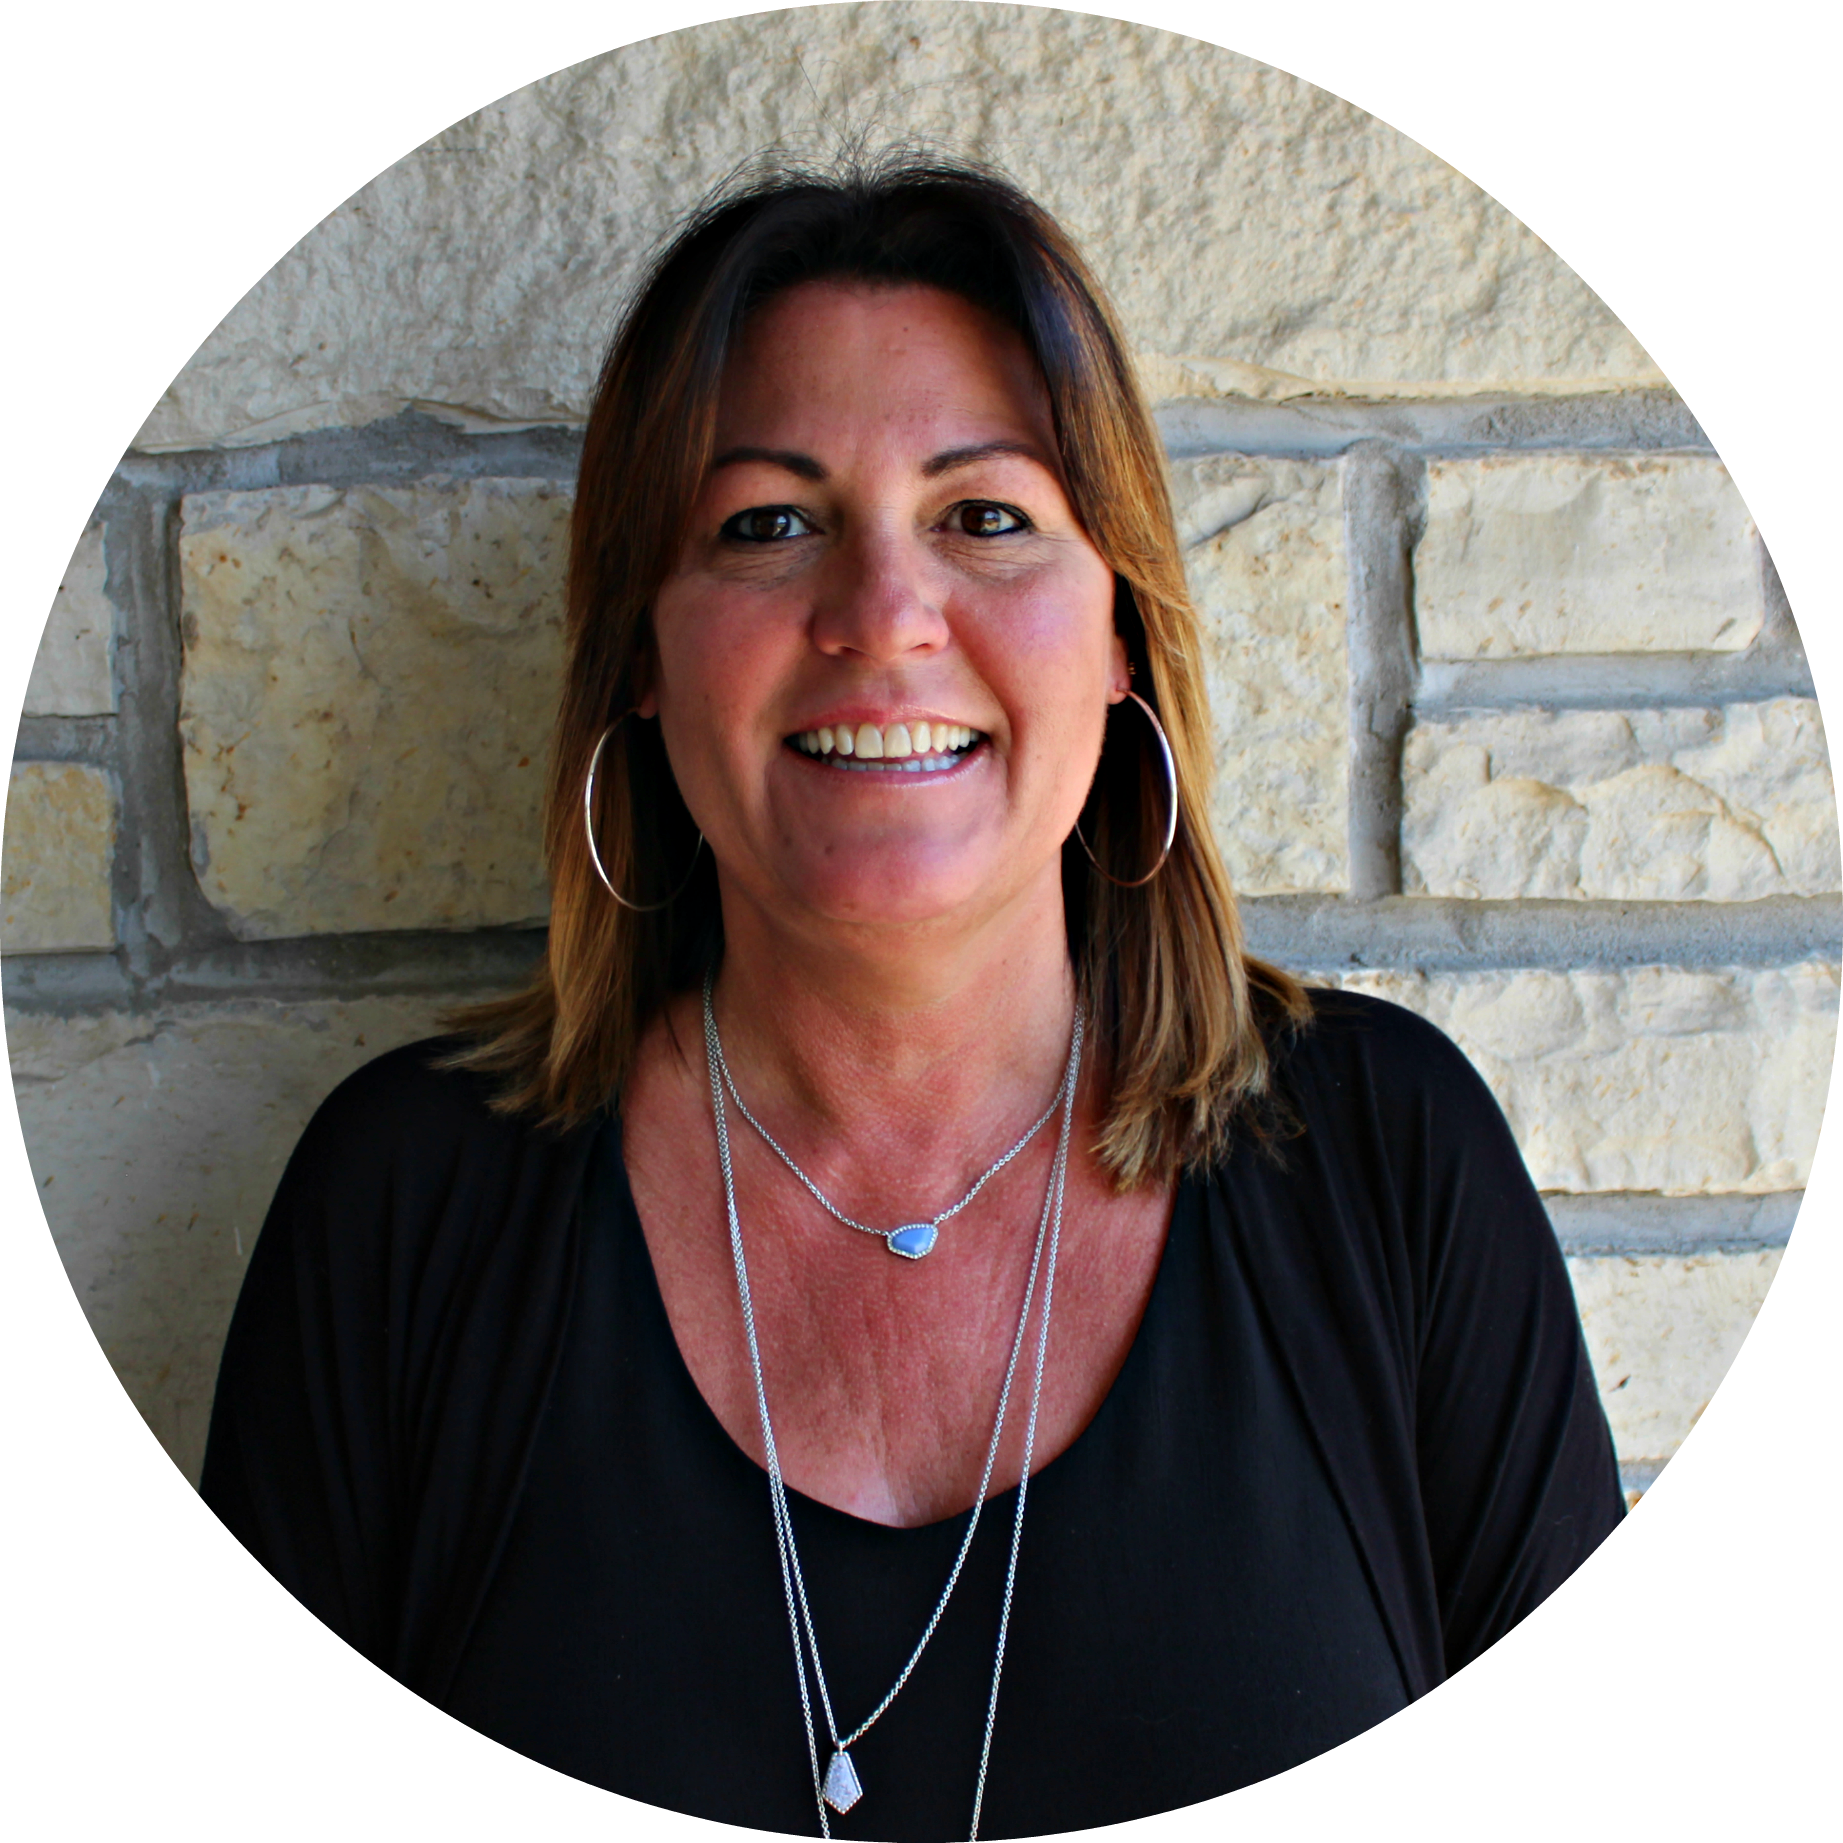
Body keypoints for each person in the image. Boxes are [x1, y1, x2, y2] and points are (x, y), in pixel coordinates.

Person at [201, 153, 1622, 1839]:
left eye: (985, 515)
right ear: (642, 658)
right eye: (767, 522)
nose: (880, 616)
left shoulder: (1388, 1167)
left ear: (1118, 638)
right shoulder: (405, 1209)